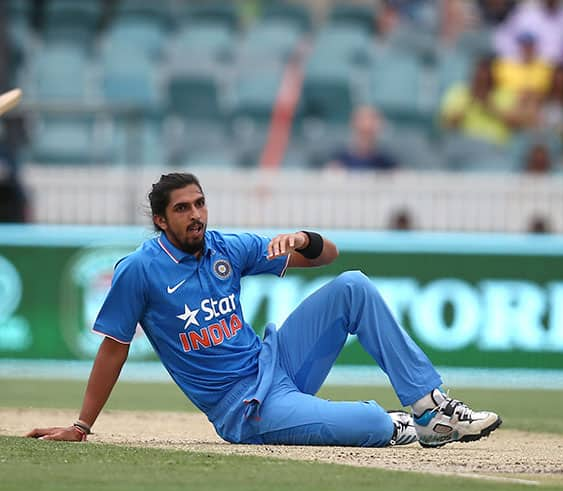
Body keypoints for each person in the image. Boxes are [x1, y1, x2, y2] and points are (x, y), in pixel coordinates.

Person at [26, 173, 502, 447]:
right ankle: (394, 422)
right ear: (159, 219)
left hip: (276, 364)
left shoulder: (224, 247)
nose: (196, 215)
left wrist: (303, 239)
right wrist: (81, 426)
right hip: (246, 408)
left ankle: (429, 411)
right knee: (374, 425)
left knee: (353, 286)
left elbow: (328, 255)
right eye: (182, 209)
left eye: (200, 204)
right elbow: (114, 348)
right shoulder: (140, 269)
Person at [440, 56, 520, 145]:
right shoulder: (459, 92)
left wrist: (490, 107)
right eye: (480, 74)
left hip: (495, 147)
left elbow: (515, 123)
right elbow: (447, 124)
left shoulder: (505, 93)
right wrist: (470, 102)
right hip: (465, 145)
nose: (483, 78)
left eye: (487, 75)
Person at [494, 0, 563, 65]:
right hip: (531, 73)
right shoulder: (525, 14)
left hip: (560, 76)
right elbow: (501, 39)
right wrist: (519, 58)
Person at [328, 106, 398, 171]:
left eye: (370, 131)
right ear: (353, 125)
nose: (367, 126)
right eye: (363, 132)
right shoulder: (339, 161)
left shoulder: (387, 163)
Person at [493, 31, 554, 100]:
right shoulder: (504, 67)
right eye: (524, 45)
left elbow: (547, 90)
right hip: (512, 105)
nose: (526, 48)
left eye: (530, 45)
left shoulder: (546, 68)